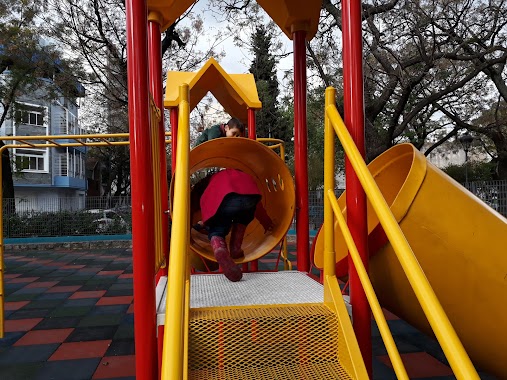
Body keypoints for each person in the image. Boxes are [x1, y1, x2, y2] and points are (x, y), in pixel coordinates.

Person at [192, 169, 274, 282]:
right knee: (243, 218)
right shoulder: (242, 175)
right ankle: (235, 248)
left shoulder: (211, 184)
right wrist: (267, 223)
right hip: (251, 197)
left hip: (227, 199)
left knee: (218, 228)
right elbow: (258, 208)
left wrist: (207, 224)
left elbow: (208, 207)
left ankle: (219, 247)